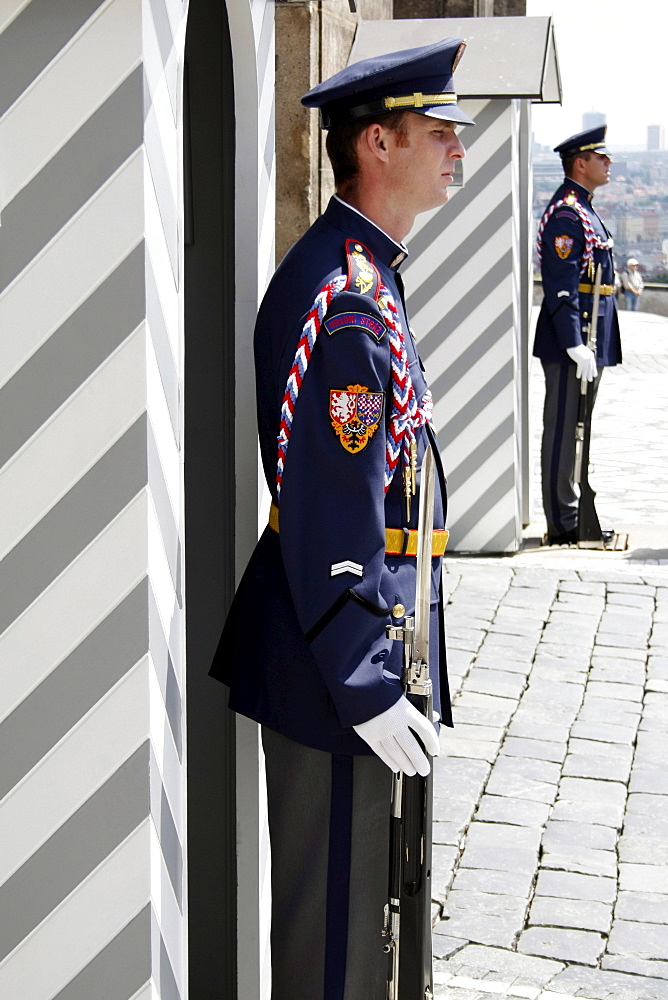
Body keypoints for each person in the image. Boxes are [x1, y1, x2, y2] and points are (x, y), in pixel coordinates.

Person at [210, 38, 473, 1000]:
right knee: (338, 945)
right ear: (377, 142)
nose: (456, 149)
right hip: (336, 671)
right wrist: (367, 683)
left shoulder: (366, 272)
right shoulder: (343, 296)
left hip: (349, 655)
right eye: (437, 131)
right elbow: (331, 510)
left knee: (368, 930)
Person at [533, 125, 622, 545]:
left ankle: (571, 515)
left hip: (590, 336)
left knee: (577, 428)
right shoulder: (568, 213)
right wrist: (573, 342)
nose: (608, 163)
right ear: (580, 163)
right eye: (600, 157)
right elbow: (561, 283)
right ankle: (563, 522)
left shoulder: (584, 209)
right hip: (572, 339)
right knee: (564, 429)